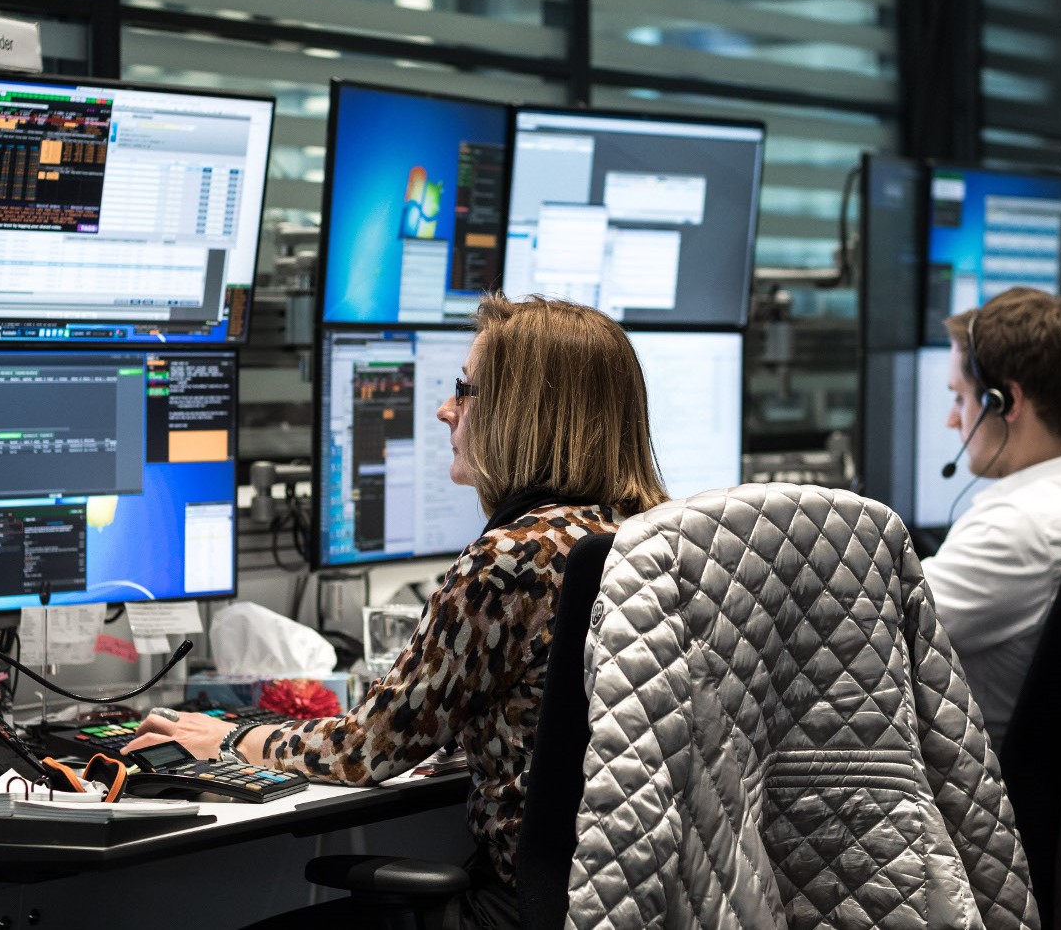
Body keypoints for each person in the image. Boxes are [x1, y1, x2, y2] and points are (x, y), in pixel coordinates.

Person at [125, 293, 669, 929]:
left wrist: (228, 736)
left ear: (522, 414)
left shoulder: (512, 559)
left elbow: (363, 750)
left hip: (525, 907)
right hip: (632, 896)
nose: (445, 410)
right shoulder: (653, 537)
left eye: (465, 391)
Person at [920, 288, 1061, 746]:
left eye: (960, 399)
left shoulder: (1016, 528)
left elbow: (865, 630)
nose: (952, 421)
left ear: (1005, 403)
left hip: (976, 790)